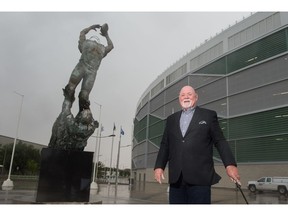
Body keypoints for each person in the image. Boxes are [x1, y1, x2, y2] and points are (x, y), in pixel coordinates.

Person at [154, 85, 241, 204]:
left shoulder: (208, 116)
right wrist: (159, 166)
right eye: (183, 95)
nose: (186, 97)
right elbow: (165, 144)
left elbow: (219, 141)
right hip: (176, 179)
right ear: (179, 98)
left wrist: (230, 164)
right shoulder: (171, 119)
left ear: (196, 97)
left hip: (200, 178)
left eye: (189, 94)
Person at [63, 23, 114, 111]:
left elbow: (82, 33)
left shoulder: (86, 43)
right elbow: (111, 46)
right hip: (92, 73)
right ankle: (83, 117)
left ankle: (65, 112)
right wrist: (106, 35)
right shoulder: (102, 49)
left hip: (80, 67)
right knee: (84, 95)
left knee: (70, 89)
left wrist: (91, 27)